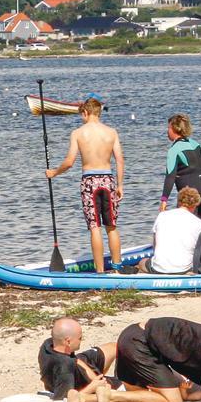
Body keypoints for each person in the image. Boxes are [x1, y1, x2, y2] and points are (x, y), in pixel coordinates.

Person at [73, 315, 201, 402]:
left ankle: (84, 399)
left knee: (138, 401)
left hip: (132, 335)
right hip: (139, 343)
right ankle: (110, 395)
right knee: (172, 401)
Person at [46, 97, 124, 272]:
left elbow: (69, 162)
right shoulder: (111, 132)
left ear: (86, 112)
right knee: (111, 226)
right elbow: (119, 160)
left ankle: (100, 271)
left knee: (95, 227)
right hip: (108, 180)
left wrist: (54, 172)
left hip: (89, 182)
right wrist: (120, 185)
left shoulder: (78, 133)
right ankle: (117, 268)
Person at [39, 316, 114, 402]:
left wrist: (93, 375)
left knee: (114, 347)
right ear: (68, 342)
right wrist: (93, 386)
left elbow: (73, 359)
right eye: (80, 338)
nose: (81, 340)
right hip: (83, 383)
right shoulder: (65, 367)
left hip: (78, 362)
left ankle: (99, 375)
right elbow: (66, 400)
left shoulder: (48, 345)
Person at [158, 114, 201, 221]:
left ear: (175, 129)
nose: (167, 131)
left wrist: (164, 200)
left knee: (186, 227)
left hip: (190, 196)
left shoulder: (174, 150)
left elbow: (170, 176)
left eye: (168, 128)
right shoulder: (196, 145)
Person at [145, 186, 201, 274]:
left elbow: (155, 243)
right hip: (184, 269)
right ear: (195, 204)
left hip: (159, 268)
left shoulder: (162, 215)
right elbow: (200, 249)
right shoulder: (199, 223)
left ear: (179, 201)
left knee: (142, 262)